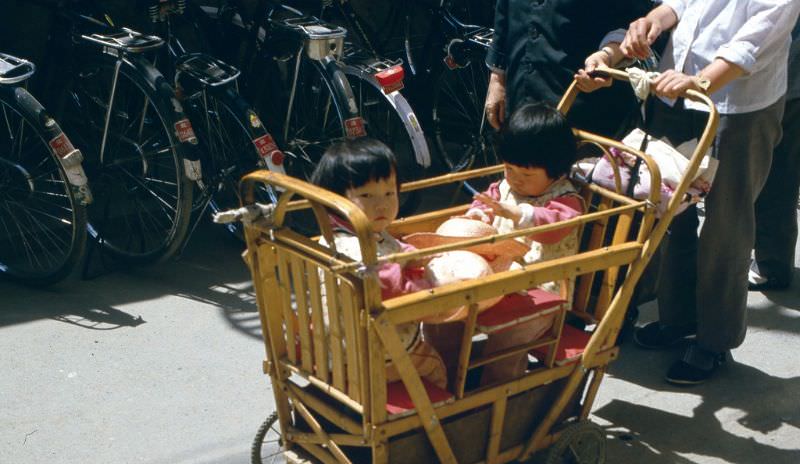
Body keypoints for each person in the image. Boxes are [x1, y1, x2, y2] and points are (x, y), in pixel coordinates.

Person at [576, 0, 800, 385]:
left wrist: (701, 81)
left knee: (725, 226)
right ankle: (676, 319)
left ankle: (714, 341)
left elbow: (755, 40)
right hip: (673, 94)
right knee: (668, 212)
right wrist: (649, 23)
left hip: (739, 106)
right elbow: (677, 5)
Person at [310, 137, 448, 389]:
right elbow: (396, 287)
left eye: (389, 192)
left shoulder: (349, 233)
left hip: (334, 346)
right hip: (378, 352)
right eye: (366, 195)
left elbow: (391, 246)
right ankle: (436, 421)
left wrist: (411, 254)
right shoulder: (357, 250)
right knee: (437, 366)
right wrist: (435, 293)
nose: (381, 203)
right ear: (335, 199)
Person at [464, 102, 585, 384]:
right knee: (446, 319)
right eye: (508, 169)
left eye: (526, 175)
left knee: (507, 341)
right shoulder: (505, 186)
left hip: (541, 297)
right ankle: (450, 380)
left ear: (556, 171)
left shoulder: (565, 200)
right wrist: (478, 212)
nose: (515, 179)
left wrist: (517, 213)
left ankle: (501, 398)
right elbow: (485, 199)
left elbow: (551, 228)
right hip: (499, 282)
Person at [484, 0, 655, 137]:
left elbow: (636, 23)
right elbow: (505, 12)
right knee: (520, 172)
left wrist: (608, 59)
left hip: (583, 101)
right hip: (520, 92)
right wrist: (497, 76)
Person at [750, 20, 800, 292]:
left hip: (783, 77)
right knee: (779, 173)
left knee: (777, 175)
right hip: (784, 74)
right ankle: (771, 262)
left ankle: (771, 266)